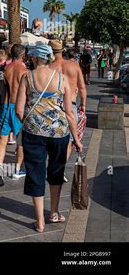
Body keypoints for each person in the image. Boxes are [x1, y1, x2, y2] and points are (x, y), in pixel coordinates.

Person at [15, 45, 83, 233]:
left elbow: (19, 110)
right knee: (56, 172)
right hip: (59, 133)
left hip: (33, 134)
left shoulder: (27, 77)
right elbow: (69, 112)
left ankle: (40, 222)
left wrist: (32, 122)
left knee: (35, 173)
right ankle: (53, 213)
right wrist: (76, 139)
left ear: (35, 59)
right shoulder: (62, 79)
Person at [49, 40, 86, 180]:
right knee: (70, 140)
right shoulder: (73, 66)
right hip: (71, 104)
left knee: (54, 137)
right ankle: (60, 168)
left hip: (54, 104)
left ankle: (54, 165)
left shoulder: (49, 67)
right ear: (62, 50)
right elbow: (82, 88)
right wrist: (83, 105)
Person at [0, 44, 28, 184]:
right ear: (23, 55)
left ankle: (0, 168)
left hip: (5, 106)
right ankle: (17, 170)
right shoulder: (24, 71)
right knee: (20, 141)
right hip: (18, 107)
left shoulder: (4, 69)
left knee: (2, 139)